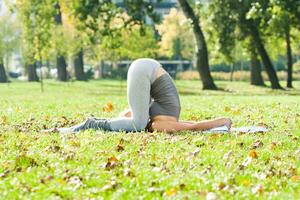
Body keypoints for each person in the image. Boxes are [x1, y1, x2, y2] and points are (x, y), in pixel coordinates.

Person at [56, 58, 232, 134]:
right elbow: (194, 127)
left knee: (135, 121)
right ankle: (91, 123)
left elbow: (191, 125)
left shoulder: (157, 116)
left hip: (147, 69)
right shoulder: (158, 125)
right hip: (146, 71)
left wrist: (222, 121)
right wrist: (221, 121)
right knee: (137, 124)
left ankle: (93, 123)